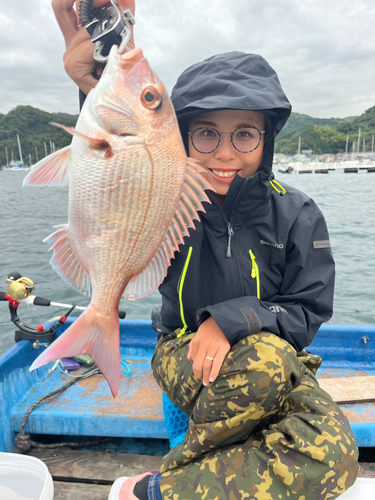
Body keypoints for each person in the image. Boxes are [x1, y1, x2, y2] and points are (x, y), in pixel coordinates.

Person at [53, 1, 359, 499]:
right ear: (182, 137)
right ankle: (179, 477)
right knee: (262, 362)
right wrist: (97, 67)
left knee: (335, 453)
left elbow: (308, 311)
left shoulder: (299, 214)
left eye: (245, 134)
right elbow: (114, 160)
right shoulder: (167, 197)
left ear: (267, 140)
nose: (224, 152)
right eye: (206, 132)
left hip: (275, 364)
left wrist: (232, 320)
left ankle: (157, 487)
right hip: (182, 349)